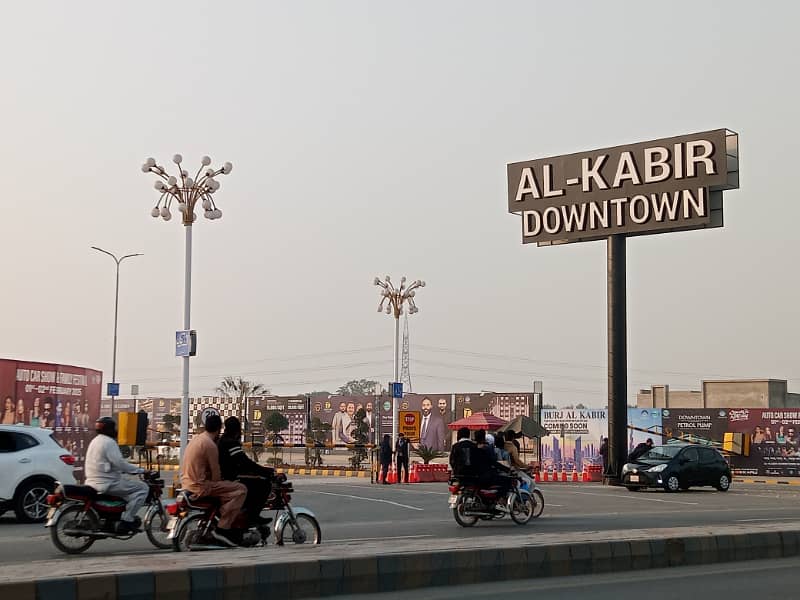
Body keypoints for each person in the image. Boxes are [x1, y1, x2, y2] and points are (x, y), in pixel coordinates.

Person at [181, 414, 247, 547]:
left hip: (187, 483)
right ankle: (223, 527)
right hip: (201, 486)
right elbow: (216, 475)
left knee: (229, 489)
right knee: (241, 489)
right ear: (219, 428)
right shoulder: (210, 445)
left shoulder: (196, 439)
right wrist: (225, 481)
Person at [84, 417, 150, 535]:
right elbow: (120, 463)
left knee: (127, 487)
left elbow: (109, 463)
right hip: (107, 483)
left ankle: (114, 518)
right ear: (109, 429)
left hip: (92, 482)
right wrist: (140, 471)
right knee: (143, 488)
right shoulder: (109, 442)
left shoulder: (95, 441)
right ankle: (127, 520)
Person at [218, 416, 274, 526]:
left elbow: (243, 463)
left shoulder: (223, 440)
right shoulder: (230, 442)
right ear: (237, 430)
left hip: (226, 475)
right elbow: (245, 463)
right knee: (264, 485)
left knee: (254, 482)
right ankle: (252, 516)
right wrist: (265, 472)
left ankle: (244, 512)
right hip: (230, 477)